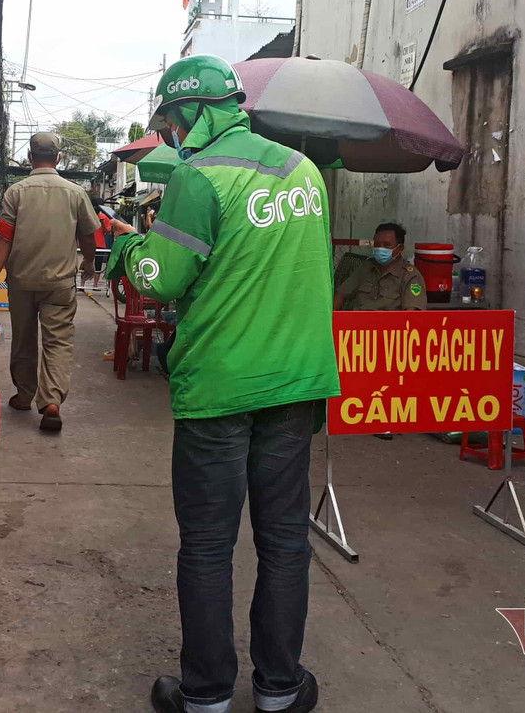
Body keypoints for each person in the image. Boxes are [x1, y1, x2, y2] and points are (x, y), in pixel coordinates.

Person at [107, 54, 340, 713]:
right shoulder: (304, 172)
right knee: (285, 539)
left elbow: (162, 278)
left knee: (210, 544)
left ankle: (206, 695)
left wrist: (128, 245)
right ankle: (279, 688)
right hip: (296, 383)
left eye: (173, 122)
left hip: (220, 390)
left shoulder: (197, 176)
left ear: (190, 114)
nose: (173, 135)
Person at [0, 132, 100, 432]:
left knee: (24, 339)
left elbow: (4, 238)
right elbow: (88, 236)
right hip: (60, 284)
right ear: (59, 158)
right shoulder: (75, 193)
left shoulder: (16, 192)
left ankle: (25, 394)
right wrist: (89, 263)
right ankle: (51, 400)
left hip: (22, 282)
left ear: (30, 157)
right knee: (58, 341)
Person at [334, 222, 427, 311]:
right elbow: (341, 294)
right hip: (358, 324)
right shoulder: (366, 267)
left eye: (387, 245)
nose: (380, 248)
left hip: (390, 326)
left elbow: (411, 313)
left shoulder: (410, 276)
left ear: (400, 248)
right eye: (377, 244)